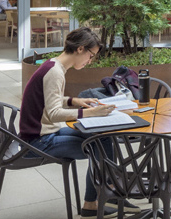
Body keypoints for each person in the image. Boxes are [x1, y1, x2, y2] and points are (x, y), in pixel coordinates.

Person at [18, 27, 116, 218]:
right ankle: (101, 196)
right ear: (80, 49)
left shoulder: (53, 65)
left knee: (102, 138)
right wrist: (90, 113)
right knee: (99, 146)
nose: (90, 61)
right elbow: (54, 113)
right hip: (37, 142)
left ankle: (106, 190)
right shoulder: (55, 72)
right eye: (91, 55)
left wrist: (73, 101)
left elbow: (49, 100)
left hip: (42, 134)